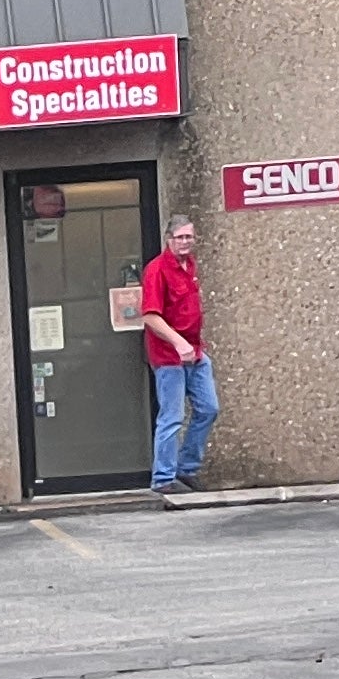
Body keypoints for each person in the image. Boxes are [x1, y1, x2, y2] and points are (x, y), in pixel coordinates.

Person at [143, 215, 215, 501]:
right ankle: (163, 478)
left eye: (189, 237)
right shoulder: (157, 270)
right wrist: (178, 342)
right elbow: (150, 315)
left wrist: (192, 346)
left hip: (195, 353)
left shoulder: (190, 266)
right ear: (168, 239)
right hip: (168, 357)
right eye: (180, 237)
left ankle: (186, 467)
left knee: (209, 408)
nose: (185, 242)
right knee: (172, 417)